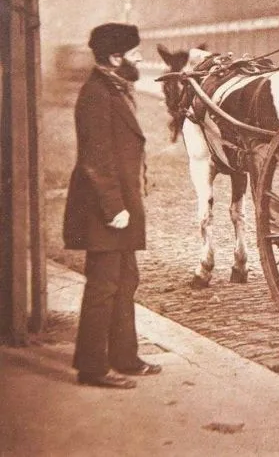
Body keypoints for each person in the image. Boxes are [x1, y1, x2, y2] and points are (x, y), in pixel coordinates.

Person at [63, 22, 162, 388]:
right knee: (103, 285)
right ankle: (91, 368)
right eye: (135, 53)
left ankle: (124, 356)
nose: (140, 58)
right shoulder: (96, 94)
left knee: (125, 280)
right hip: (104, 209)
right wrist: (114, 207)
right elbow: (95, 159)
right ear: (115, 57)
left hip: (118, 206)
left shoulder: (113, 88)